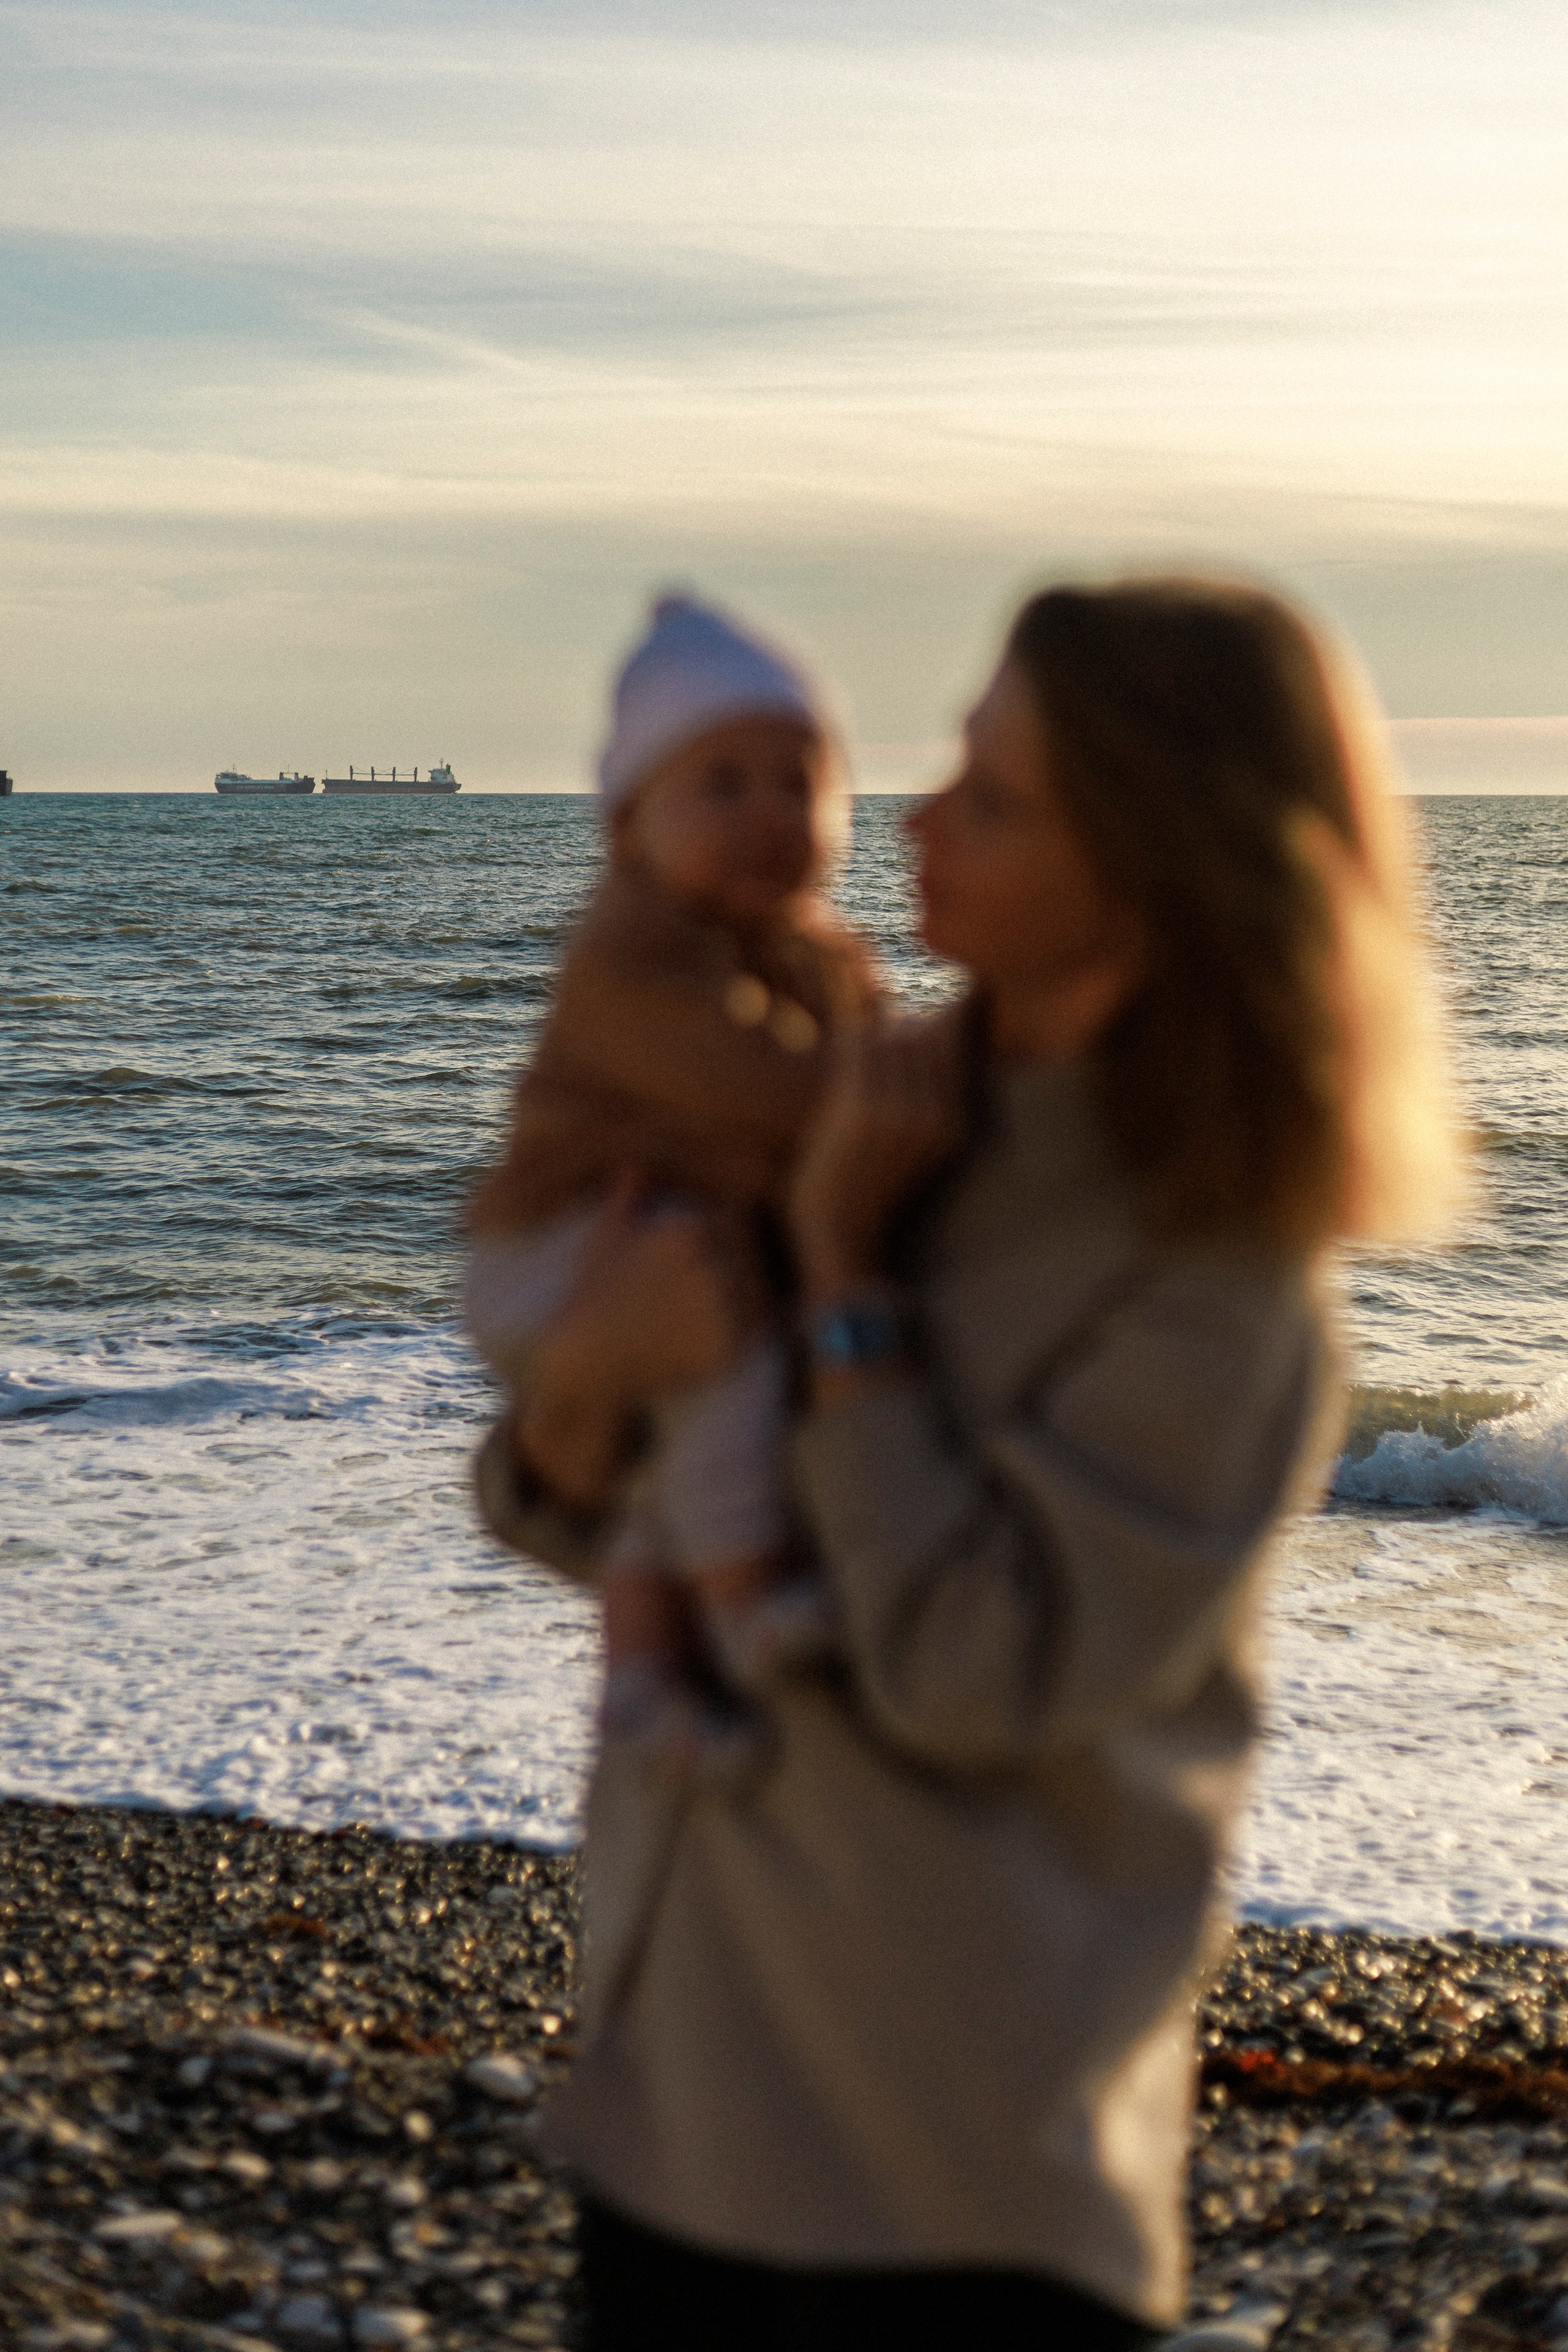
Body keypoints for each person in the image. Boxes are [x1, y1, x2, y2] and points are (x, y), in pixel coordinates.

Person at [475, 578, 1461, 2349]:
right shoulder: (876, 1104)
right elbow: (572, 1494)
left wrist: (849, 1293)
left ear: (1157, 862)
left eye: (994, 797)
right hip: (684, 2086)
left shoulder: (1217, 1286)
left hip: (948, 2173)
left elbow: (975, 1672)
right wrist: (594, 1371)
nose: (915, 818)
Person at [466, 592, 879, 1775]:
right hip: (566, 1248)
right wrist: (885, 1099)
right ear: (629, 826)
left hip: (634, 1250)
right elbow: (749, 1077)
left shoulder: (808, 950)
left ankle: (647, 1680)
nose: (768, 816)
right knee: (724, 1370)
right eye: (724, 785)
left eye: (799, 786)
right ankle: (747, 1592)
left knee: (664, 1452)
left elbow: (862, 1030)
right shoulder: (632, 948)